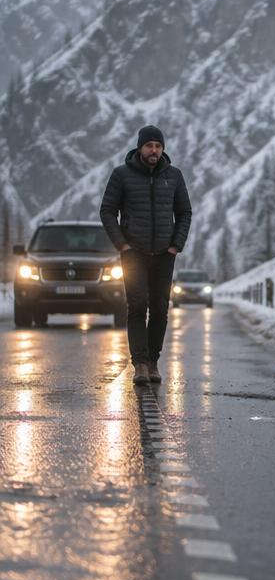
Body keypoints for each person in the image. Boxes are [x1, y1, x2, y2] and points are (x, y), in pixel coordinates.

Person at [100, 125, 193, 385]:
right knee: (138, 306)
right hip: (134, 254)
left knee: (160, 309)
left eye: (158, 146)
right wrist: (122, 245)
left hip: (165, 254)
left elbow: (185, 212)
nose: (154, 150)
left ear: (163, 149)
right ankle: (139, 364)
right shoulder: (121, 175)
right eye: (149, 145)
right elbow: (107, 211)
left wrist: (176, 244)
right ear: (140, 147)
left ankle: (153, 361)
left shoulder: (174, 176)